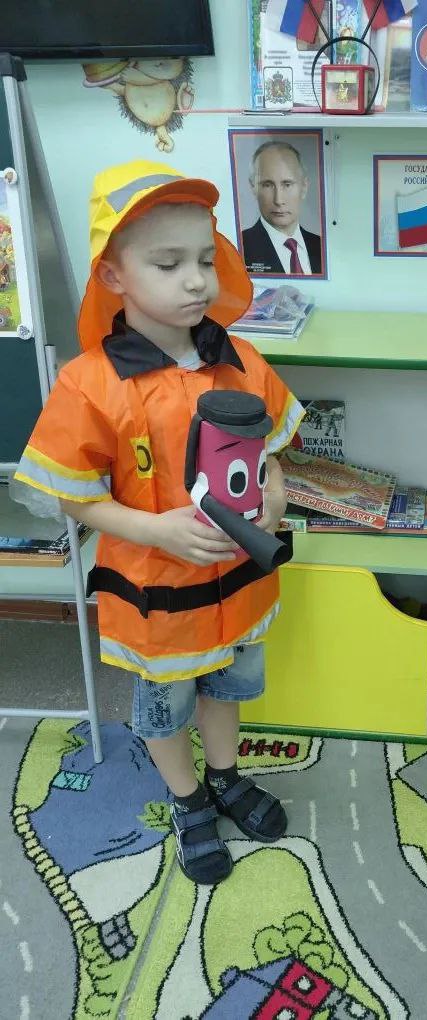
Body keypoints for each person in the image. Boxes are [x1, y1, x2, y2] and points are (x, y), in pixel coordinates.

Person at [12, 160, 305, 885]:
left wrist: (274, 494)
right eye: (169, 264)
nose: (196, 281)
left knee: (228, 687)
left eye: (205, 259)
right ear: (113, 274)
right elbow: (75, 498)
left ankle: (226, 776)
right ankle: (188, 799)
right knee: (166, 705)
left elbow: (271, 454)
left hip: (237, 582)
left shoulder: (239, 358)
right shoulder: (89, 383)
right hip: (155, 599)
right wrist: (157, 531)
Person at [241, 141, 323, 276]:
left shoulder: (322, 246)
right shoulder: (239, 248)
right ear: (253, 188)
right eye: (267, 185)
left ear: (304, 187)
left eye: (287, 184)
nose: (278, 200)